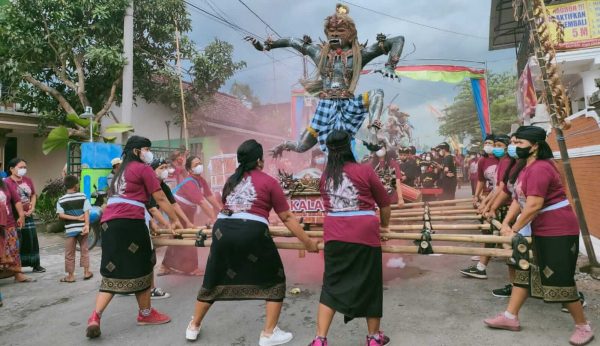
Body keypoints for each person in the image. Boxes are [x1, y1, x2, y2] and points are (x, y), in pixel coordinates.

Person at [185, 139, 319, 345]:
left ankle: (193, 326)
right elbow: (288, 218)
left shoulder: (231, 180)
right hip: (251, 231)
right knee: (275, 278)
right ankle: (268, 333)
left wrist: (266, 216)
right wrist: (308, 243)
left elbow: (236, 207)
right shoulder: (269, 181)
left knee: (213, 278)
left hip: (222, 229)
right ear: (259, 161)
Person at [484, 126, 594, 346]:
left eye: (520, 144)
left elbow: (534, 204)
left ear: (535, 146)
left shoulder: (541, 168)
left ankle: (583, 327)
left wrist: (514, 230)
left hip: (558, 230)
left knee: (560, 279)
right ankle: (510, 317)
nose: (515, 148)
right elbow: (518, 198)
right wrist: (506, 223)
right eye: (514, 143)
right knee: (526, 272)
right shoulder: (526, 168)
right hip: (539, 228)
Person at [85, 136, 181, 339]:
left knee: (112, 271)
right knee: (145, 264)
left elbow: (142, 203)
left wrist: (155, 223)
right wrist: (174, 221)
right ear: (137, 151)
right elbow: (160, 197)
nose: (149, 153)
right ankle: (145, 314)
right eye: (147, 148)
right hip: (130, 223)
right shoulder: (143, 169)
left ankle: (95, 316)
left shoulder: (120, 172)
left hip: (109, 224)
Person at [308, 130, 392, 346]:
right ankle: (374, 338)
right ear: (349, 146)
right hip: (365, 232)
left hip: (335, 234)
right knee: (370, 284)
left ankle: (320, 339)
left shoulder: (326, 176)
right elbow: (384, 203)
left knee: (331, 285)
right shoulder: (364, 171)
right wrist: (384, 227)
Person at [159, 155, 220, 276]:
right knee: (186, 237)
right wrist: (215, 218)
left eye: (200, 163)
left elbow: (209, 197)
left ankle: (165, 266)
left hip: (187, 211)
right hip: (178, 211)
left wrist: (221, 210)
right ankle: (190, 267)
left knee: (178, 237)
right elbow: (202, 203)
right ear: (190, 170)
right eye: (196, 165)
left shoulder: (201, 180)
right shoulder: (189, 182)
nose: (199, 166)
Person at [146, 158, 194, 298]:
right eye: (161, 167)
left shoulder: (164, 186)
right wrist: (167, 224)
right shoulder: (150, 185)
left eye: (166, 167)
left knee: (146, 256)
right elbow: (153, 209)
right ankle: (150, 289)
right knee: (149, 256)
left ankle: (140, 286)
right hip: (141, 220)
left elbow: (174, 205)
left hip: (148, 221)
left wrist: (185, 222)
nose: (165, 170)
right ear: (152, 171)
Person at [5, 158, 45, 273]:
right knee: (17, 240)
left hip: (28, 215)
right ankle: (17, 266)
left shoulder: (28, 180)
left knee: (31, 239)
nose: (23, 170)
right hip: (15, 216)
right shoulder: (7, 182)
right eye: (20, 167)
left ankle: (35, 264)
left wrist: (32, 207)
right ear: (12, 169)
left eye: (25, 167)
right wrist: (21, 213)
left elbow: (33, 194)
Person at [56, 175, 93, 283]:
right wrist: (86, 225)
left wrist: (74, 218)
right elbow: (86, 212)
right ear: (76, 185)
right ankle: (86, 272)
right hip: (82, 228)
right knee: (84, 250)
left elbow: (61, 215)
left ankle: (71, 276)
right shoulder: (83, 196)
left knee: (69, 253)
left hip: (70, 230)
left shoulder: (61, 200)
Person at [0, 174, 33, 284]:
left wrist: (21, 215)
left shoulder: (5, 184)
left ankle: (18, 274)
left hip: (8, 223)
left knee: (13, 248)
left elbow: (16, 200)